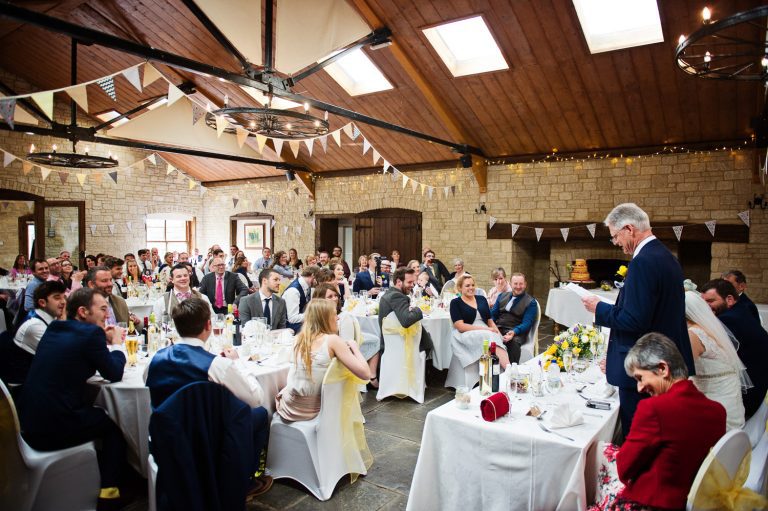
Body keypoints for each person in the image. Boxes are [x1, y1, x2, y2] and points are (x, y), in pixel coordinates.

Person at [582, 203, 694, 437]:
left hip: (646, 366)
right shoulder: (666, 256)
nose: (615, 242)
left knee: (640, 433)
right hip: (664, 358)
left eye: (615, 236)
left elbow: (634, 320)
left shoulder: (643, 262)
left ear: (629, 229)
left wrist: (598, 308)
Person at [144, 297, 273, 497]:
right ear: (208, 325)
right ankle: (246, 480)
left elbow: (148, 383)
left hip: (168, 434)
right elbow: (255, 398)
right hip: (209, 435)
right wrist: (237, 363)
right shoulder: (216, 365)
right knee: (260, 413)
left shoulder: (155, 360)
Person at [19, 288, 129, 509]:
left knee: (97, 412)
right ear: (82, 312)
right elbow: (114, 373)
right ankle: (110, 495)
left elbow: (76, 354)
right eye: (102, 309)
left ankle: (95, 474)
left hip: (28, 423)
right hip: (55, 428)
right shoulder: (91, 335)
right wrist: (117, 343)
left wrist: (103, 339)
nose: (107, 314)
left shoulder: (55, 328)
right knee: (114, 429)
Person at [591, 333, 725, 511]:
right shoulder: (717, 411)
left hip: (651, 503)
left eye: (640, 378)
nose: (639, 388)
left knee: (595, 454)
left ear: (662, 369)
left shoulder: (654, 409)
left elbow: (625, 470)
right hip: (693, 501)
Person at [275, 299, 370, 421]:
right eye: (334, 314)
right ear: (325, 318)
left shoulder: (299, 339)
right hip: (316, 411)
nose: (338, 318)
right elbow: (366, 374)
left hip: (290, 408)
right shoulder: (333, 341)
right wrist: (355, 348)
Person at [700, 278, 768, 418]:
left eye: (711, 301)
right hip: (760, 384)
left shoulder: (727, 320)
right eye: (703, 302)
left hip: (747, 395)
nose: (706, 307)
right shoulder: (741, 310)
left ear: (729, 299)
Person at [684, 288, 747, 430]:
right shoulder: (711, 328)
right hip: (733, 408)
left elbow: (681, 372)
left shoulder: (693, 334)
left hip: (717, 412)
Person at [375, 268, 436, 386]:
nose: (412, 285)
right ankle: (422, 378)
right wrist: (418, 309)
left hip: (390, 342)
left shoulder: (389, 294)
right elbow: (406, 320)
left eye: (413, 282)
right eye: (409, 282)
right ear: (399, 281)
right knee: (429, 341)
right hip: (401, 343)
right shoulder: (397, 296)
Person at [450, 274, 506, 375]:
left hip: (486, 330)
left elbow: (489, 321)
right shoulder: (455, 303)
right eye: (467, 285)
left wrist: (499, 334)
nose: (471, 288)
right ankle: (507, 369)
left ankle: (497, 372)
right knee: (489, 336)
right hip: (466, 332)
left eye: (473, 285)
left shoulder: (481, 299)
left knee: (494, 337)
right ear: (460, 288)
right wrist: (486, 330)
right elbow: (460, 327)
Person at [490, 273, 538, 364]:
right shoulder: (501, 296)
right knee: (485, 336)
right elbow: (493, 315)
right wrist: (492, 327)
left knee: (513, 343)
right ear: (510, 284)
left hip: (516, 331)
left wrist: (514, 332)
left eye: (521, 284)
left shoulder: (531, 302)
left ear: (525, 284)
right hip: (499, 328)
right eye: (515, 284)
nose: (518, 287)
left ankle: (512, 369)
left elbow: (527, 323)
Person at [84, 266, 143, 332]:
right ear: (91, 284)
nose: (110, 284)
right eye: (104, 281)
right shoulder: (84, 306)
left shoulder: (120, 301)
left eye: (110, 280)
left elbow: (130, 327)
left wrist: (137, 323)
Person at [283, 265, 318, 333]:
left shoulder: (307, 286)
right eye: (317, 279)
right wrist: (313, 315)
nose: (317, 283)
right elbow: (292, 318)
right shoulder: (293, 291)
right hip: (289, 326)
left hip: (299, 322)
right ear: (313, 275)